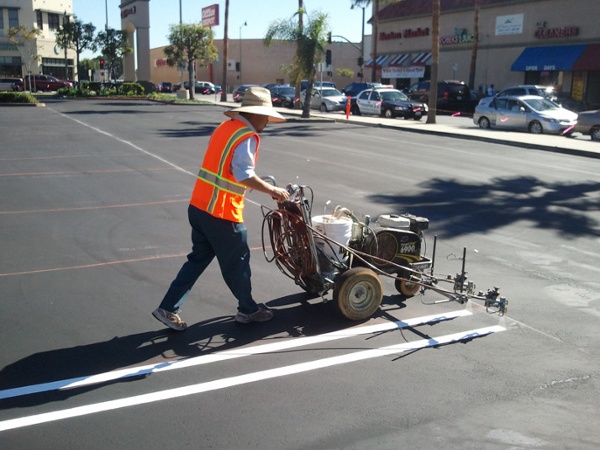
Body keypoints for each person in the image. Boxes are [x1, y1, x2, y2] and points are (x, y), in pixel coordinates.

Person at [152, 86, 290, 331]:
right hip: (222, 213)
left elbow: (224, 169)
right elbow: (243, 174)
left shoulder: (226, 129)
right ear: (255, 114)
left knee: (197, 260)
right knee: (238, 262)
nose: (267, 122)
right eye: (266, 116)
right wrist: (273, 190)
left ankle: (168, 307)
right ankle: (248, 310)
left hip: (199, 207)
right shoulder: (247, 137)